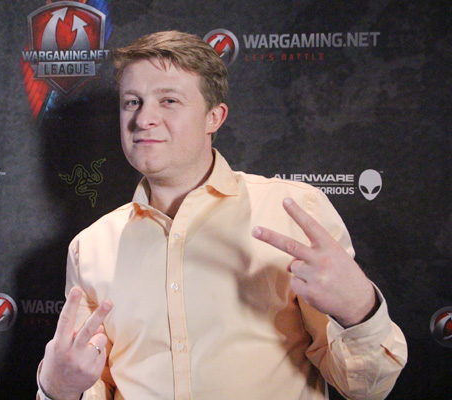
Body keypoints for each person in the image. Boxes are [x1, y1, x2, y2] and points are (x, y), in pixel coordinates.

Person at [36, 31, 407, 400]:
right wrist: (57, 389)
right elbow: (88, 383)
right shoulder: (90, 247)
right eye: (132, 102)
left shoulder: (292, 213)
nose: (144, 118)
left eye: (168, 100)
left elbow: (366, 387)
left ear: (214, 117)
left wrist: (360, 309)